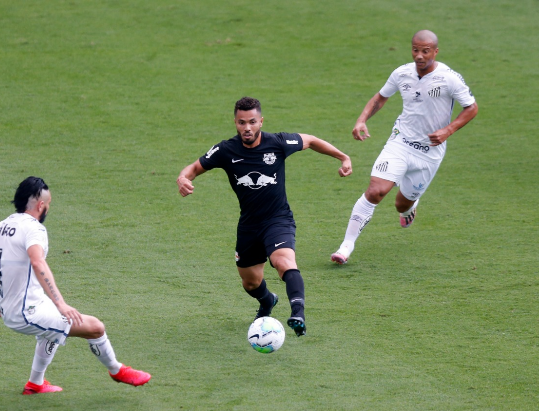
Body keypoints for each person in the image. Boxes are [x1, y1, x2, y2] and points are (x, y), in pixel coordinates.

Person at [177, 97, 352, 336]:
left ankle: (298, 313)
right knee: (250, 282)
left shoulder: (278, 142)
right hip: (249, 225)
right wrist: (184, 178)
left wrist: (343, 157)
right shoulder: (226, 149)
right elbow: (195, 167)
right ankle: (268, 300)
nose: (246, 128)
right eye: (241, 122)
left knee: (284, 262)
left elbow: (310, 141)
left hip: (278, 219)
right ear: (235, 122)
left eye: (251, 122)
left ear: (261, 121)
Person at [0, 177, 151, 394]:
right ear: (41, 205)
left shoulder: (4, 226)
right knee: (95, 328)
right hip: (27, 313)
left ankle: (35, 384)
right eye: (49, 204)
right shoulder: (34, 229)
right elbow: (37, 262)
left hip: (15, 308)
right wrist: (61, 303)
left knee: (51, 331)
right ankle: (117, 370)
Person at [331, 30, 478, 265]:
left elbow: (471, 107)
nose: (419, 55)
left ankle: (410, 208)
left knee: (402, 203)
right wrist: (362, 119)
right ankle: (346, 246)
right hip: (400, 143)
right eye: (415, 50)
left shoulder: (449, 78)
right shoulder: (402, 73)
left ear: (435, 51)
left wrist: (448, 130)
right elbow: (380, 97)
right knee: (375, 191)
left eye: (425, 51)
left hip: (429, 152)